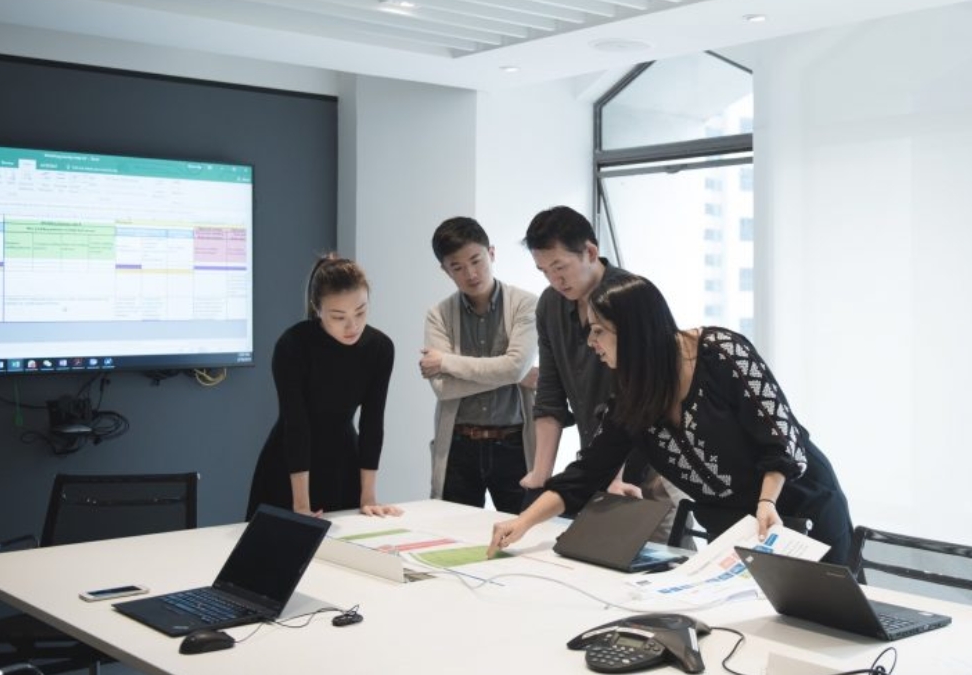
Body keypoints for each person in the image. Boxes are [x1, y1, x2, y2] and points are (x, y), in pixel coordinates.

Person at [488, 274, 854, 564]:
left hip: (798, 507)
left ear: (633, 331)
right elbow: (586, 473)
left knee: (827, 620)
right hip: (733, 526)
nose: (591, 342)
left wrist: (767, 503)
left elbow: (780, 439)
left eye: (598, 331)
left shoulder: (722, 353)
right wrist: (522, 522)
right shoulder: (632, 395)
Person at [520, 206, 684, 539]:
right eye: (544, 271)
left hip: (652, 462)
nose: (554, 280)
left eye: (559, 267)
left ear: (591, 252)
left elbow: (642, 390)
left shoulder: (630, 296)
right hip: (599, 461)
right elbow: (550, 394)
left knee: (665, 556)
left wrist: (614, 473)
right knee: (599, 556)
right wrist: (540, 475)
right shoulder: (550, 305)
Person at [247, 253, 403, 519]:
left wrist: (368, 497)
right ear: (317, 309)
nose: (353, 326)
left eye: (361, 311)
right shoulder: (293, 345)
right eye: (338, 317)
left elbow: (372, 423)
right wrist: (301, 506)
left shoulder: (380, 348)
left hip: (343, 463)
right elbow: (296, 425)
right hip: (289, 466)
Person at [420, 217, 539, 514]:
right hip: (459, 444)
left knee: (524, 531)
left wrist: (446, 361)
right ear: (445, 270)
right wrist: (514, 374)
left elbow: (515, 367)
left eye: (476, 260)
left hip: (514, 444)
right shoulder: (439, 314)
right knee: (452, 532)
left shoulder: (525, 304)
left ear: (492, 253)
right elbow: (443, 388)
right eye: (457, 267)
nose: (471, 274)